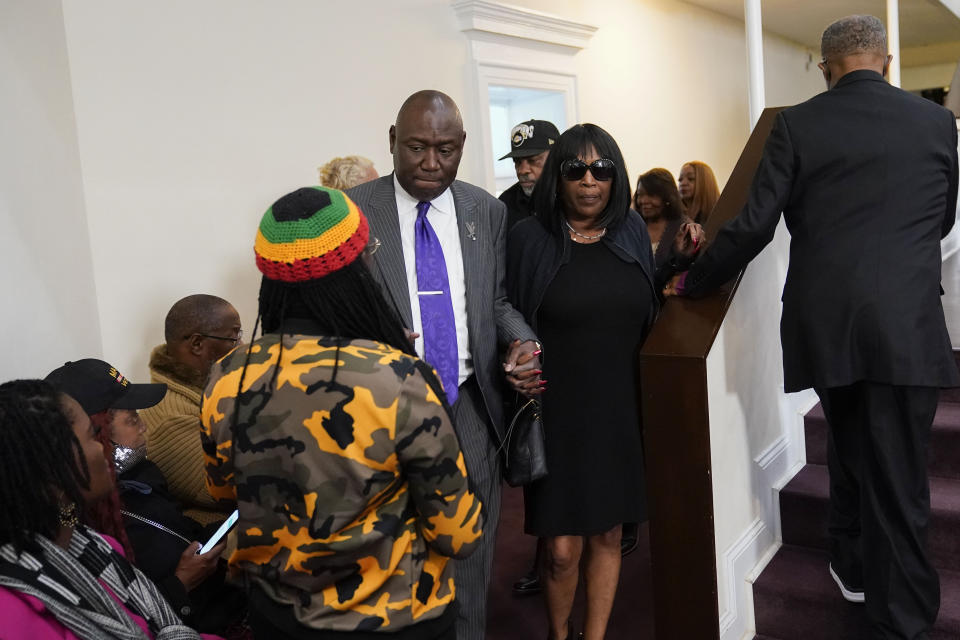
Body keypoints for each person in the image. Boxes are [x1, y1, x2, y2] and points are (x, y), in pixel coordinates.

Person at [665, 15, 959, 639]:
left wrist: (693, 280)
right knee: (901, 477)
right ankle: (901, 619)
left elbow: (750, 226)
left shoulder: (796, 124)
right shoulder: (937, 124)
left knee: (849, 449)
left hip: (828, 328)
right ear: (885, 61)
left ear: (825, 68)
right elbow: (941, 217)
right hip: (907, 327)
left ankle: (853, 567)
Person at [201, 185, 484, 639]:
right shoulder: (397, 377)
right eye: (368, 249)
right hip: (397, 620)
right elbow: (458, 534)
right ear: (355, 266)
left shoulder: (225, 376)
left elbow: (223, 492)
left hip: (279, 616)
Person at [347, 90, 542, 640]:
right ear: (391, 142)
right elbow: (334, 310)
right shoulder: (353, 212)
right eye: (416, 148)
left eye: (447, 150)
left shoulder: (487, 210)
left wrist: (524, 344)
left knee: (472, 551)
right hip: (385, 415)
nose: (432, 164)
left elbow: (496, 301)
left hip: (470, 408)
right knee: (394, 551)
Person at [507, 123, 700, 640]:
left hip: (619, 409)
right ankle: (559, 633)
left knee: (610, 534)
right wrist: (515, 351)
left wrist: (677, 260)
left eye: (602, 169)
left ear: (616, 176)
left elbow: (645, 294)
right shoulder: (529, 238)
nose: (589, 180)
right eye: (576, 169)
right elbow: (505, 308)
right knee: (562, 549)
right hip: (557, 412)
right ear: (558, 178)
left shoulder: (632, 230)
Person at [0, 379, 218, 639]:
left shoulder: (100, 547)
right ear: (53, 468)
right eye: (94, 435)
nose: (103, 447)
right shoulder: (13, 617)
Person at [46, 358, 245, 636]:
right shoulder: (76, 526)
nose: (144, 427)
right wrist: (181, 584)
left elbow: (177, 531)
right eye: (132, 419)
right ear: (97, 434)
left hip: (223, 605)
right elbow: (122, 619)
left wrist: (215, 539)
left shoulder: (142, 475)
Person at [141, 295, 242, 525]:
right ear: (197, 344)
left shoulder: (210, 391)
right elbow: (239, 490)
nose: (241, 346)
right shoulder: (172, 420)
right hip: (222, 546)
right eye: (233, 337)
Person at [498, 119, 560, 230]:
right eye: (517, 162)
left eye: (533, 160)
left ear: (555, 158)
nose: (522, 170)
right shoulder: (505, 204)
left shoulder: (573, 197)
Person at [634, 168, 692, 266]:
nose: (643, 201)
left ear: (668, 196)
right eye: (640, 195)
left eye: (651, 195)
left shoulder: (684, 228)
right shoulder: (633, 225)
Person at [677, 161, 720, 225]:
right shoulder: (674, 216)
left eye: (690, 179)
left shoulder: (718, 217)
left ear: (705, 183)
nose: (683, 183)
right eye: (680, 180)